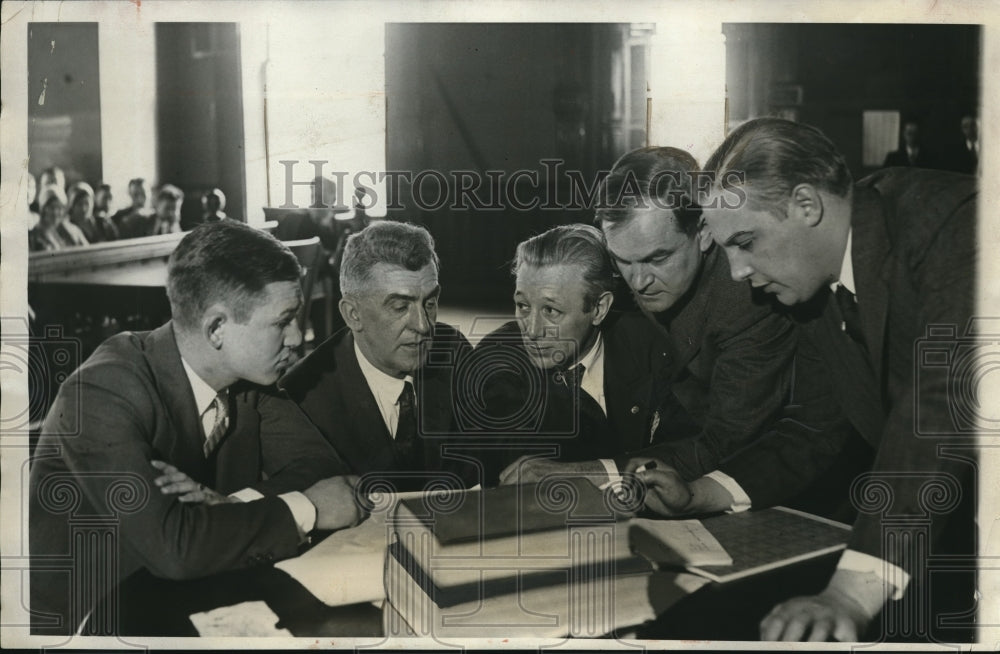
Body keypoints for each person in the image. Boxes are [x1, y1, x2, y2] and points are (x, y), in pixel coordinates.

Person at [692, 117, 976, 643]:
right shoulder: (817, 286)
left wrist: (850, 591)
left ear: (806, 204)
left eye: (746, 242)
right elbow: (816, 425)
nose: (736, 272)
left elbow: (940, 402)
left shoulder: (958, 222)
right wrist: (704, 493)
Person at [30, 221, 360, 635]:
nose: (297, 337)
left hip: (190, 601)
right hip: (85, 624)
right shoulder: (101, 392)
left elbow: (322, 466)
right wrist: (305, 509)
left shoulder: (246, 378)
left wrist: (234, 506)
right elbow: (174, 549)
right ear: (217, 328)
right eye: (284, 321)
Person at [504, 147, 807, 495]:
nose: (638, 281)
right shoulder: (638, 261)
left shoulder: (748, 300)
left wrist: (585, 472)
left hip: (776, 479)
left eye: (657, 258)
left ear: (704, 231)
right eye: (623, 261)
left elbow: (724, 446)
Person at [259, 220, 476, 492]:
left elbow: (490, 442)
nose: (422, 325)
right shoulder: (303, 399)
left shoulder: (452, 350)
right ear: (353, 314)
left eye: (430, 303)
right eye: (400, 307)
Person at [472, 224, 683, 486]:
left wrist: (588, 471)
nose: (533, 330)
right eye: (523, 305)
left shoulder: (648, 343)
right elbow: (522, 473)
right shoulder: (497, 360)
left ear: (599, 308)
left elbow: (692, 447)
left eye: (551, 311)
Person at [29, 185, 89, 251]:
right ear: (43, 209)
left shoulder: (72, 229)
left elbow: (87, 251)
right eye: (51, 207)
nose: (55, 212)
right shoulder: (35, 234)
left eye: (59, 208)